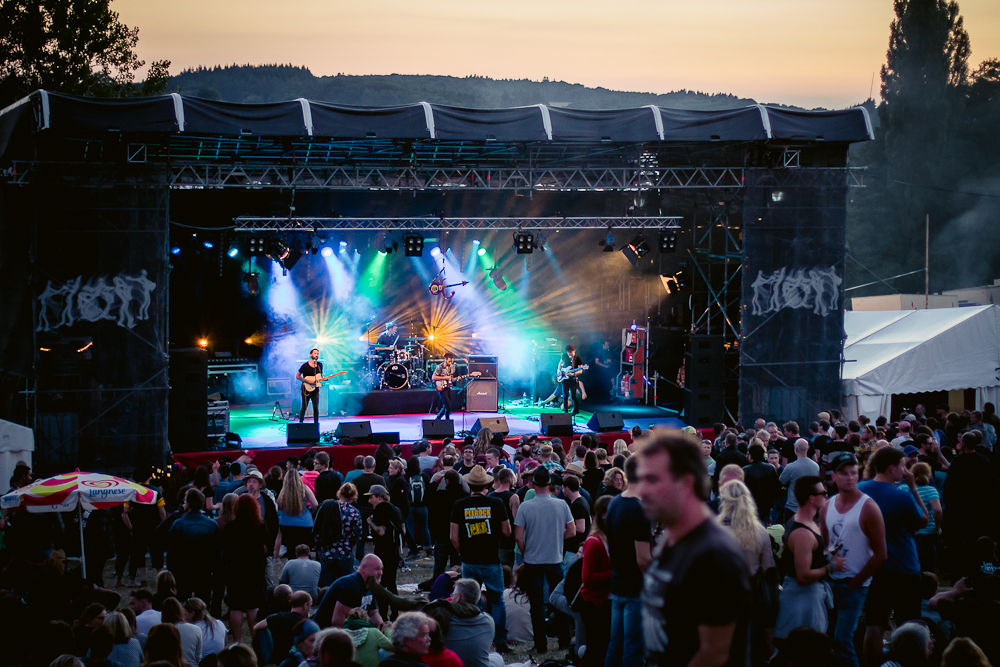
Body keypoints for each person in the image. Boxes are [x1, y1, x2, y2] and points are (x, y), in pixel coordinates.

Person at [636, 430, 752, 667]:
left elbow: (714, 653)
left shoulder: (714, 555)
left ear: (686, 483)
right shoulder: (671, 539)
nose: (642, 491)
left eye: (653, 480)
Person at [859, 446, 930, 667]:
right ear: (892, 468)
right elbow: (924, 519)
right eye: (903, 466)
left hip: (872, 567)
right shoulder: (901, 496)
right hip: (904, 567)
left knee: (874, 624)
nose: (906, 470)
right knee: (909, 625)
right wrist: (913, 488)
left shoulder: (859, 490)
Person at [822, 451, 887, 667]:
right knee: (830, 637)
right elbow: (825, 544)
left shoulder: (868, 507)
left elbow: (881, 554)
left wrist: (856, 583)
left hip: (854, 584)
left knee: (842, 638)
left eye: (853, 473)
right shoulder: (827, 505)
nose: (850, 477)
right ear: (834, 476)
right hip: (831, 581)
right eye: (844, 473)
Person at [513, 466, 576, 656]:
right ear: (550, 485)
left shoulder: (526, 506)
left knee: (536, 604)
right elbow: (572, 531)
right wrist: (556, 539)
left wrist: (526, 551)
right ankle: (564, 639)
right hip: (554, 558)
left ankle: (540, 644)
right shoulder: (561, 505)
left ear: (533, 484)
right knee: (558, 600)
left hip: (533, 560)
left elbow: (518, 537)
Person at [449, 465, 510, 652]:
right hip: (491, 559)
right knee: (497, 599)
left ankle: (476, 636)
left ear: (469, 485)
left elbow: (453, 536)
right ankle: (500, 640)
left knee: (471, 601)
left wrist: (463, 553)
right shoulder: (496, 504)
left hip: (469, 560)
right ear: (486, 484)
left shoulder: (459, 505)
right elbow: (507, 531)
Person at [716, 479, 775, 664]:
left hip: (721, 595)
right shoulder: (760, 531)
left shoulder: (715, 531)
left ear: (724, 502)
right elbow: (768, 568)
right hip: (750, 596)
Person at [774, 477, 842, 640]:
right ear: (811, 498)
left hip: (805, 597)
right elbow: (803, 576)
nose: (826, 496)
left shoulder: (803, 521)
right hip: (803, 600)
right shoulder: (802, 533)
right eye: (823, 492)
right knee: (806, 645)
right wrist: (832, 566)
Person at [603, 456, 651, 667]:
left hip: (618, 583)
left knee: (616, 644)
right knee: (633, 648)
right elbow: (643, 558)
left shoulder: (614, 503)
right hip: (635, 589)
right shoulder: (639, 510)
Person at [223, 494, 269, 644]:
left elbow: (226, 550)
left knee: (235, 607)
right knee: (253, 606)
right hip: (255, 570)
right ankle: (256, 641)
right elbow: (265, 547)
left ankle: (237, 642)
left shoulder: (230, 527)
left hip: (235, 570)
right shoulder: (260, 526)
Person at [167, 488, 219, 606]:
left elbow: (172, 552)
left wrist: (172, 569)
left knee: (182, 602)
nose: (183, 503)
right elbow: (216, 552)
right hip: (204, 570)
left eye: (185, 500)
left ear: (189, 503)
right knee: (203, 603)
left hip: (183, 571)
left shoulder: (178, 524)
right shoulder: (212, 524)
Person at [579, 495, 613, 667]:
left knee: (604, 646)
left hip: (605, 600)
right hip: (594, 602)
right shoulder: (593, 542)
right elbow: (587, 578)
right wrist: (615, 574)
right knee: (596, 648)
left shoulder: (609, 539)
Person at [123, 466, 167, 588]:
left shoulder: (132, 491)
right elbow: (162, 511)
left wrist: (131, 525)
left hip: (138, 526)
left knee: (139, 552)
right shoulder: (156, 491)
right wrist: (163, 524)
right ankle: (160, 577)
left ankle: (143, 579)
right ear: (149, 477)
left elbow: (125, 511)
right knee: (156, 552)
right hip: (154, 526)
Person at [314, 554, 385, 629]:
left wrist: (382, 626)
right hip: (325, 632)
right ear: (364, 568)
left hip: (349, 630)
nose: (381, 573)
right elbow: (338, 622)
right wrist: (364, 631)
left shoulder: (370, 585)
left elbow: (373, 615)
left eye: (382, 569)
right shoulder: (350, 585)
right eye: (377, 569)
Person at [315, 482, 364, 587]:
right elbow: (359, 535)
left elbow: (318, 528)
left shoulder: (328, 508)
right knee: (344, 586)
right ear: (353, 497)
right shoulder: (354, 512)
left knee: (326, 587)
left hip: (327, 552)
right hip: (345, 554)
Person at [366, 485, 402, 619]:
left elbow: (381, 531)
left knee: (381, 584)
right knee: (391, 583)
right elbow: (402, 530)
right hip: (394, 550)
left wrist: (371, 523)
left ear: (380, 497)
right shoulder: (395, 509)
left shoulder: (381, 509)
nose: (369, 501)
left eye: (371, 497)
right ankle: (395, 612)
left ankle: (383, 614)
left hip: (383, 551)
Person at [253, 591, 312, 666]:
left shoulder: (278, 617)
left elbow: (256, 627)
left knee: (261, 631)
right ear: (305, 605)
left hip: (275, 659)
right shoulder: (308, 624)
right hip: (294, 661)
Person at [275, 468, 317, 558]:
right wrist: (308, 509)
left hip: (287, 523)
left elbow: (278, 506)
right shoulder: (305, 488)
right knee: (305, 551)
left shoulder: (284, 490)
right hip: (305, 523)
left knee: (291, 551)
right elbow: (315, 504)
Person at [779, 438, 821, 523]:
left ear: (796, 449)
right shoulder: (815, 466)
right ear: (808, 448)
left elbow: (782, 481)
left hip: (793, 507)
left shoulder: (790, 467)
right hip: (809, 506)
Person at [159, 598, 202, 667]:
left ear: (163, 613)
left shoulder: (159, 631)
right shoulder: (196, 629)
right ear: (180, 611)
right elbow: (198, 657)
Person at [296, 348, 332, 424]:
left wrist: (324, 379)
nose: (316, 355)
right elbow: (297, 376)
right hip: (306, 389)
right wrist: (307, 381)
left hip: (315, 389)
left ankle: (316, 424)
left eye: (317, 354)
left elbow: (320, 377)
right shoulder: (305, 366)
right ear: (311, 354)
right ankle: (300, 423)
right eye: (315, 353)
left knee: (316, 407)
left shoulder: (319, 365)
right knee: (304, 407)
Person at [404, 457, 431, 558]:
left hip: (410, 506)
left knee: (410, 528)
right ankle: (428, 548)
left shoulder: (406, 476)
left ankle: (412, 550)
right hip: (422, 506)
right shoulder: (424, 476)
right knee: (424, 527)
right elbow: (428, 490)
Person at [431, 352, 465, 421]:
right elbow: (433, 377)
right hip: (441, 387)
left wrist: (456, 379)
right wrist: (445, 377)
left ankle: (439, 419)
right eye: (449, 361)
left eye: (452, 361)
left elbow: (451, 379)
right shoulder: (440, 367)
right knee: (448, 405)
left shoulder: (453, 367)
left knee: (446, 405)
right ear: (445, 359)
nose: (451, 362)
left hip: (448, 387)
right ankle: (446, 420)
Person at [558, 344, 585, 415]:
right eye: (568, 352)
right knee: (565, 396)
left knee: (573, 396)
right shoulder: (564, 356)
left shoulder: (578, 359)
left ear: (574, 350)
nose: (569, 353)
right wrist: (558, 370)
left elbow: (580, 370)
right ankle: (565, 413)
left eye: (570, 352)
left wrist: (573, 374)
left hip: (573, 379)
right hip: (565, 379)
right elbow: (560, 363)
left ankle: (576, 410)